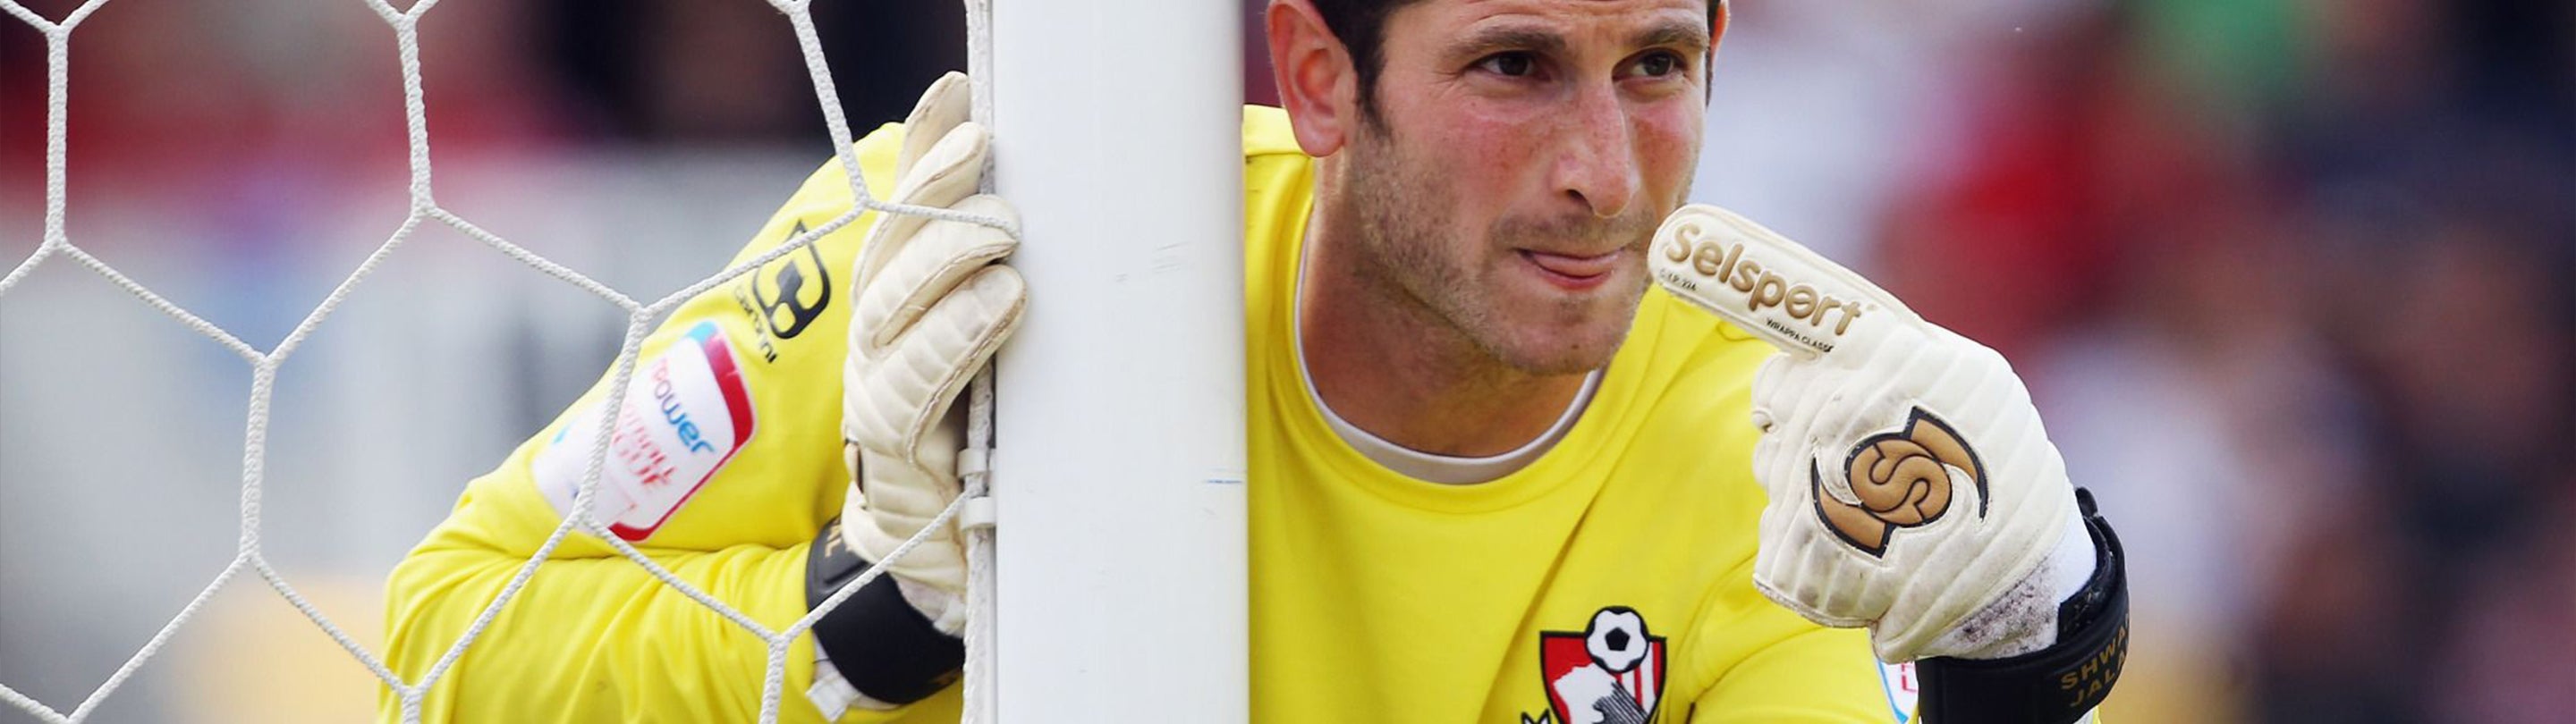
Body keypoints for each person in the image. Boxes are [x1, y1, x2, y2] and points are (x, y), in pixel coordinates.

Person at [381, 1, 2129, 721]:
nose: (1607, 166)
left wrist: (2040, 632)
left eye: (1658, 65)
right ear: (1315, 79)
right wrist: (871, 620)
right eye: (1514, 68)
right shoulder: (973, 248)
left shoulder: (1769, 465)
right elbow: (443, 638)